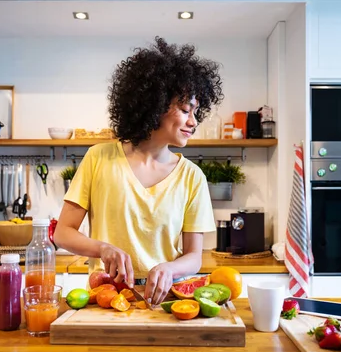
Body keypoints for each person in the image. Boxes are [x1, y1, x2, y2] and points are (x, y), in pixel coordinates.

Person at [54, 36, 224, 305]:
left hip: (168, 301)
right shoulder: (99, 158)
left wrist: (169, 269)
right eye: (184, 109)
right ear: (154, 106)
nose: (193, 122)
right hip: (106, 297)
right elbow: (62, 232)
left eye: (196, 112)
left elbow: (194, 256)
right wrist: (102, 248)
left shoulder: (192, 177)